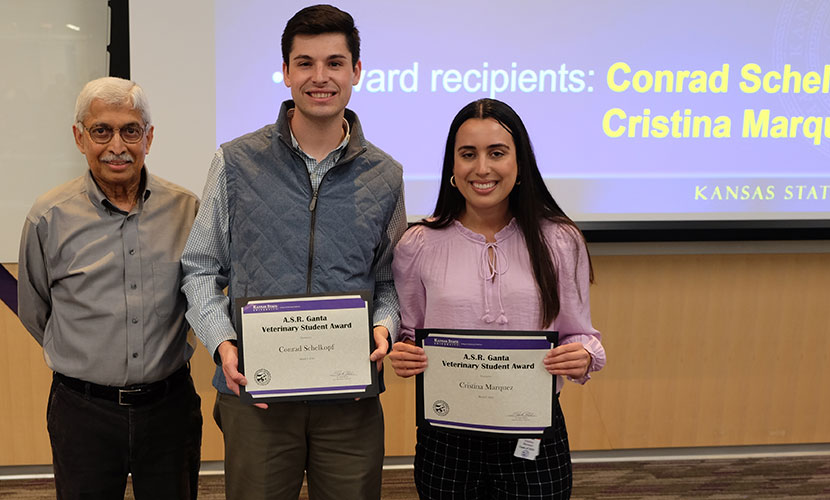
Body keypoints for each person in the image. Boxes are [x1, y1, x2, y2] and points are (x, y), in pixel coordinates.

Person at [180, 4, 405, 500]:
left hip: (349, 402)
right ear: (285, 72)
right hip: (256, 395)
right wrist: (222, 343)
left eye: (334, 63)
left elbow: (389, 282)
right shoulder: (236, 161)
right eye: (304, 63)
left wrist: (385, 328)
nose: (319, 77)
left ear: (356, 72)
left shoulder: (386, 175)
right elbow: (199, 269)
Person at [388, 98, 606, 499]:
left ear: (519, 164)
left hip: (533, 433)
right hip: (446, 437)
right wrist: (403, 352)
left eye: (497, 153)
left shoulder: (559, 240)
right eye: (468, 154)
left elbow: (580, 334)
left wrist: (583, 356)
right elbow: (410, 333)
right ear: (452, 167)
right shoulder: (418, 244)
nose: (482, 168)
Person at [17, 77, 202, 499]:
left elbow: (203, 293)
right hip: (83, 412)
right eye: (101, 130)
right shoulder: (49, 217)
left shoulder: (186, 210)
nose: (116, 145)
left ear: (149, 138)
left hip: (169, 407)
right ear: (79, 137)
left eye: (130, 130)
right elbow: (36, 309)